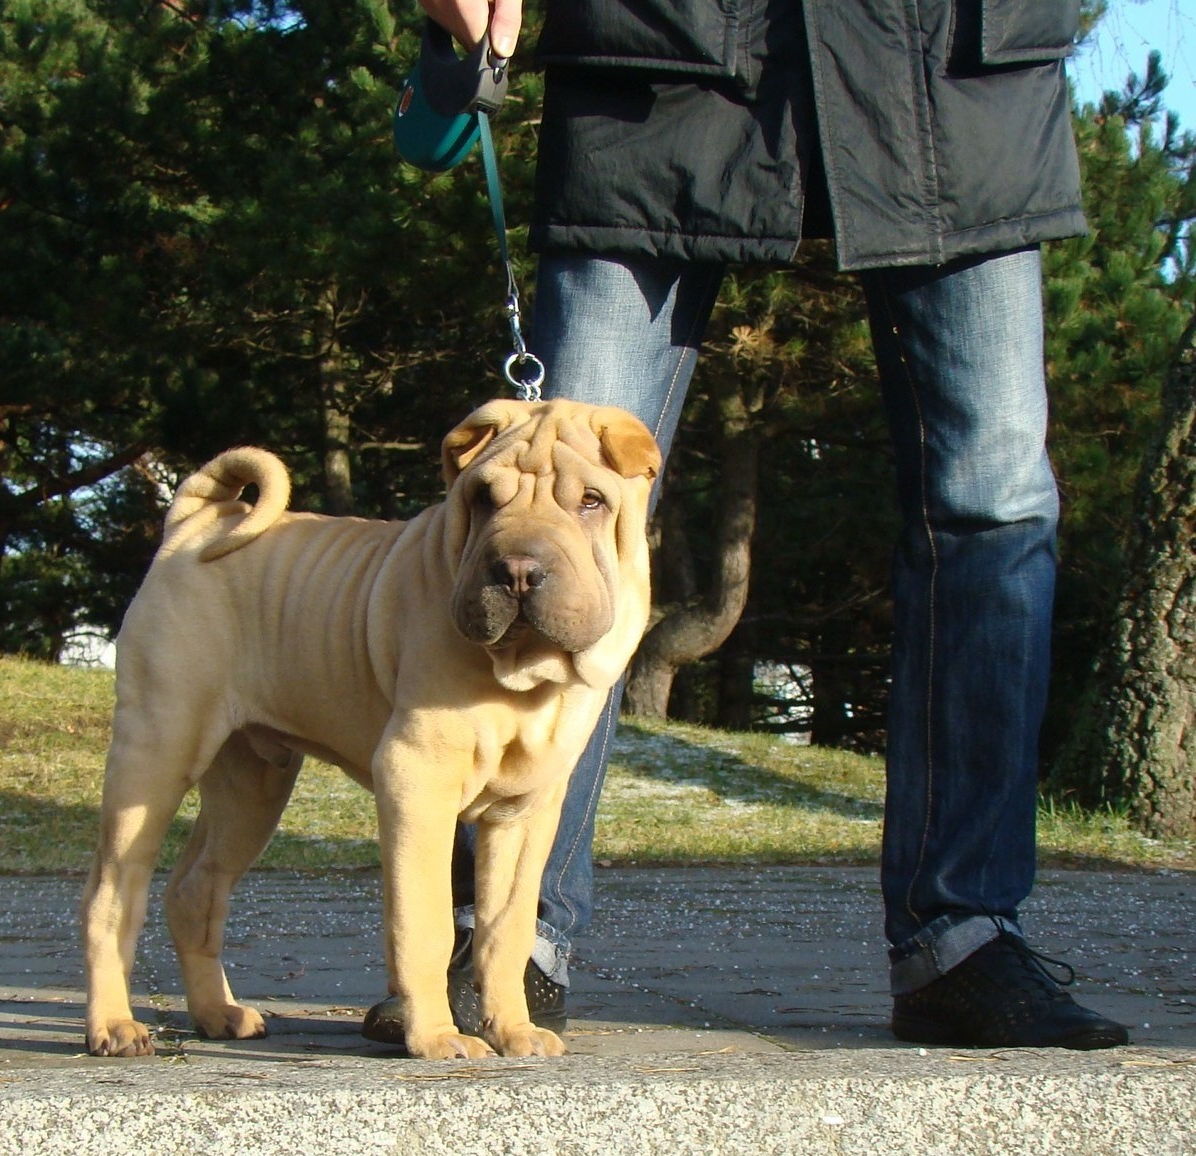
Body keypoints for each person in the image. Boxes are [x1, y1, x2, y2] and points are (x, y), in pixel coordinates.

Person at [363, 0, 1130, 1051]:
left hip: (960, 66)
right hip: (655, 52)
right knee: (546, 499)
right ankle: (501, 935)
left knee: (992, 499)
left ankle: (963, 938)